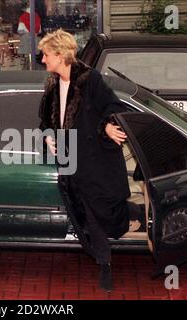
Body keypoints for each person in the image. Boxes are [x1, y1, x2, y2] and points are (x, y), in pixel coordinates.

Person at [38, 29, 130, 292]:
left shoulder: (90, 80)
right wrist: (47, 136)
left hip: (94, 159)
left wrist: (107, 127)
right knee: (84, 211)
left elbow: (114, 108)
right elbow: (44, 120)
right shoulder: (52, 84)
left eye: (46, 55)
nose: (43, 60)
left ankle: (124, 225)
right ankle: (105, 262)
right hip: (68, 158)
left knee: (99, 209)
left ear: (59, 55)